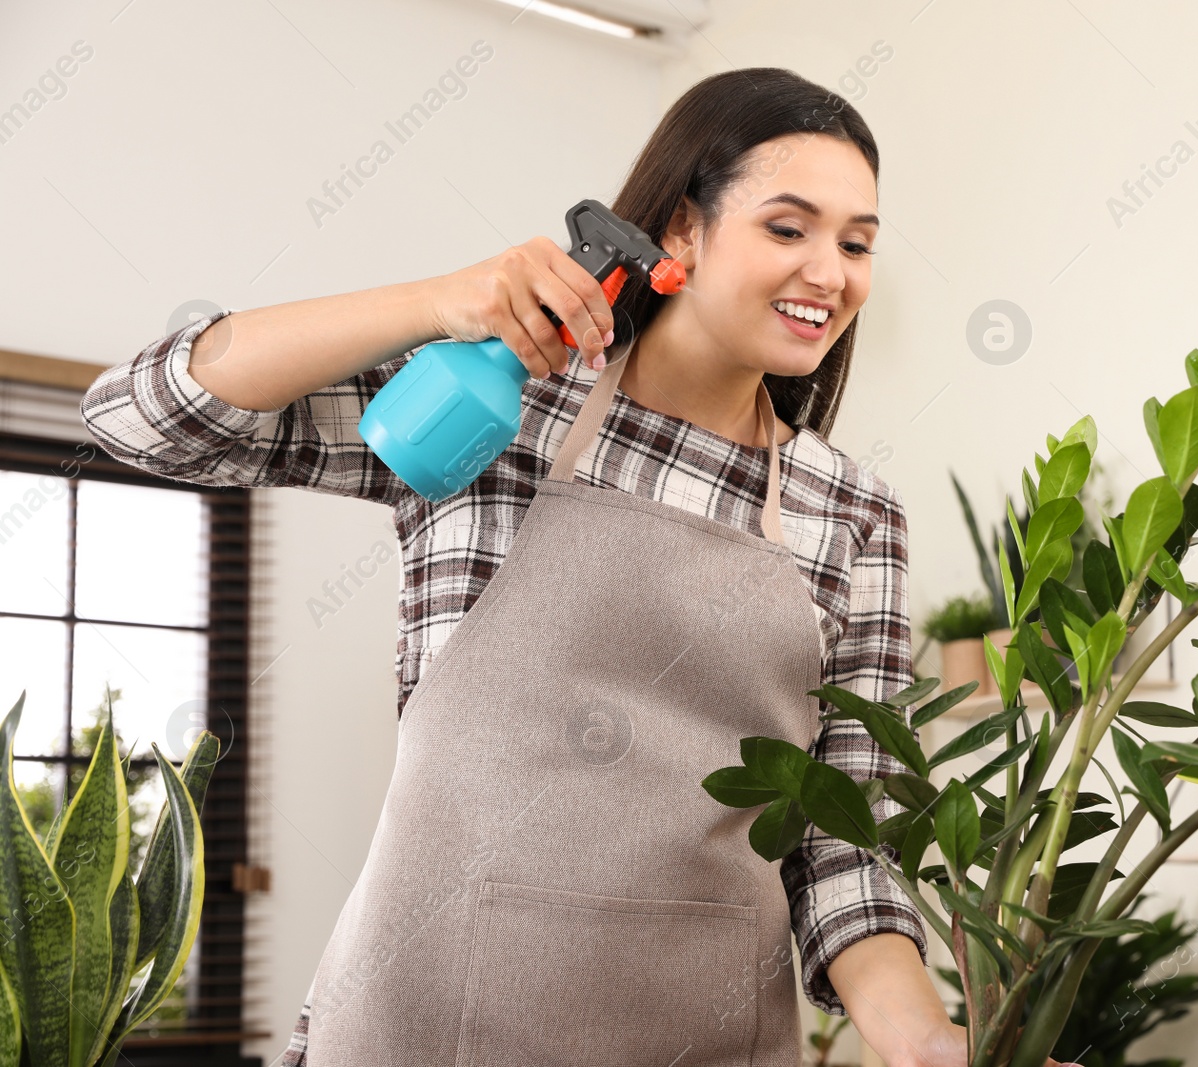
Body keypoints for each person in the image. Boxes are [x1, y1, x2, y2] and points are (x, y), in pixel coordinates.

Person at [80, 67, 1069, 1067]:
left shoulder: (850, 510)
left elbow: (846, 836)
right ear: (679, 233)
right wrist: (434, 302)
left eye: (856, 242)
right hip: (420, 1024)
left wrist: (923, 1040)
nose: (831, 271)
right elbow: (146, 418)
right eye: (787, 227)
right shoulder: (500, 412)